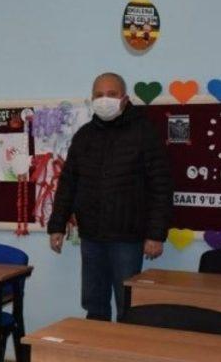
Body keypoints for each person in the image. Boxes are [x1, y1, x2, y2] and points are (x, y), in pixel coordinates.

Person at [48, 72, 173, 321]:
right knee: (94, 304)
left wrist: (156, 234)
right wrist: (57, 225)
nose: (105, 100)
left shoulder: (144, 132)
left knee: (128, 306)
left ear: (124, 98)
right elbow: (68, 183)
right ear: (92, 99)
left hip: (128, 238)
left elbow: (161, 186)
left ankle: (125, 347)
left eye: (112, 94)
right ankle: (95, 346)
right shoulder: (84, 136)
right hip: (91, 236)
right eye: (99, 95)